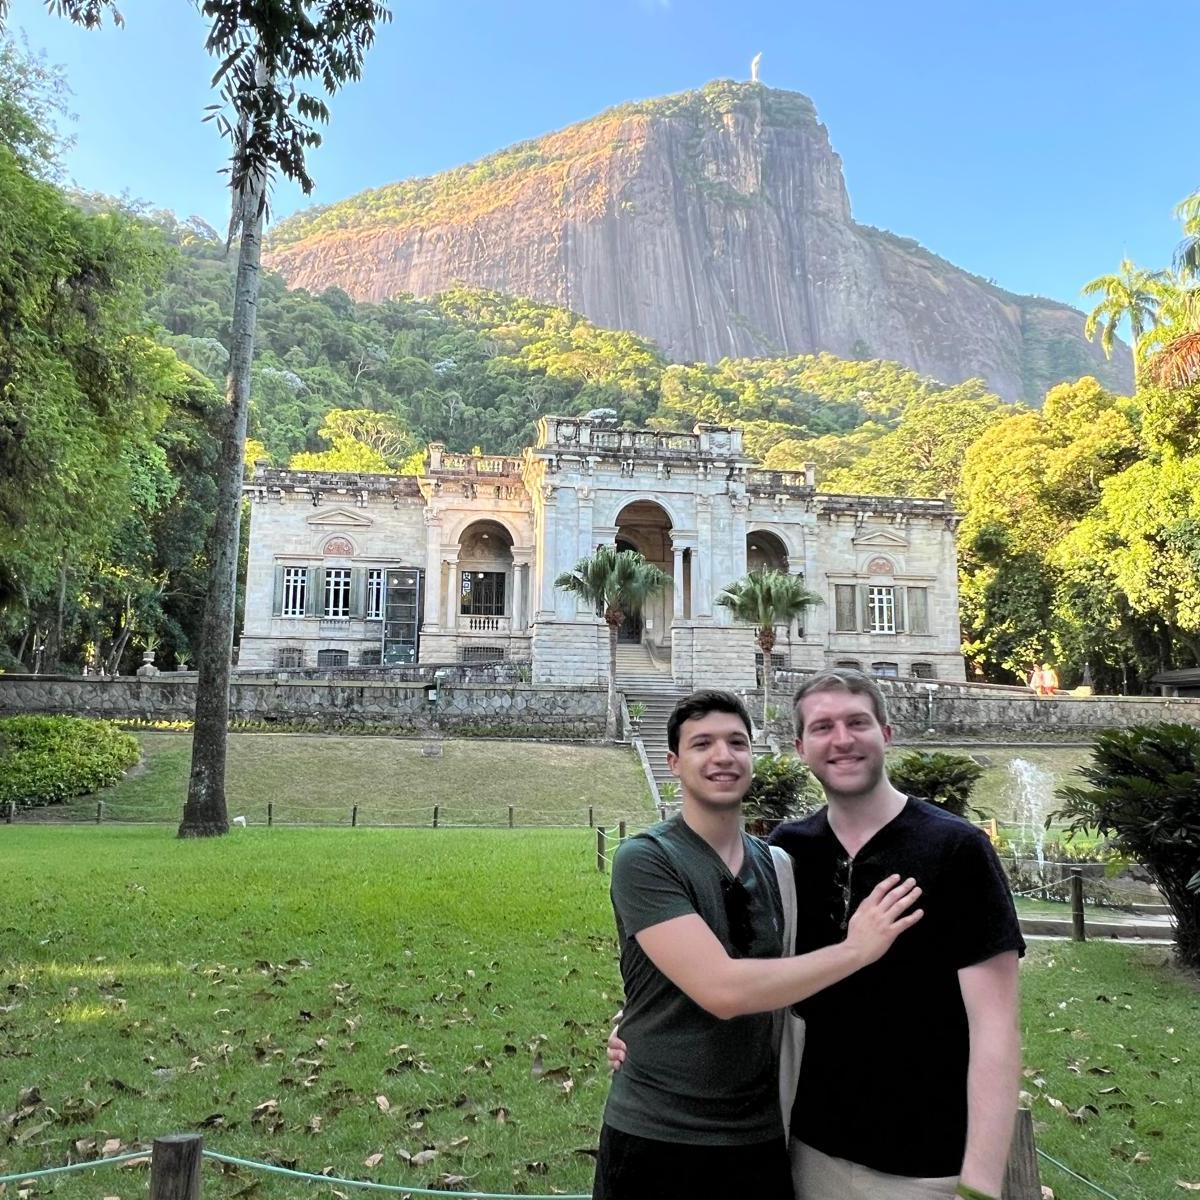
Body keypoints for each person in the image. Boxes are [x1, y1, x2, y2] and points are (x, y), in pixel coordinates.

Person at [594, 687, 923, 1200]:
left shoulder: (781, 865)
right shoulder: (646, 858)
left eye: (737, 742)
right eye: (702, 744)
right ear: (674, 763)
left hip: (760, 1137)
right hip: (657, 1135)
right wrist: (856, 949)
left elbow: (798, 983)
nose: (723, 756)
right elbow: (722, 990)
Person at [771, 668, 1025, 1200]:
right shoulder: (790, 850)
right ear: (800, 747)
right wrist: (639, 1024)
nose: (841, 740)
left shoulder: (956, 849)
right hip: (812, 1149)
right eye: (822, 728)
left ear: (886, 733)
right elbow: (740, 968)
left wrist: (978, 1185)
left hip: (929, 1165)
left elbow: (996, 1027)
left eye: (857, 722)